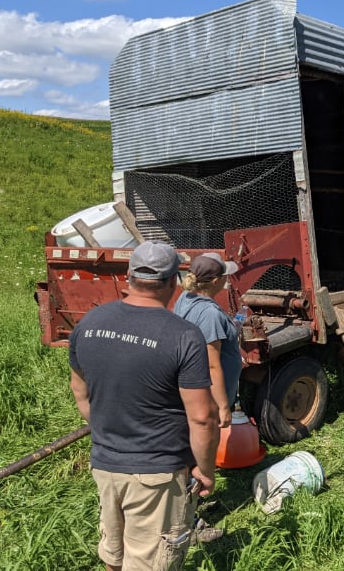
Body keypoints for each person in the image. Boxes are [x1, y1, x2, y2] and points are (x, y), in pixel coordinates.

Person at [69, 241, 219, 571]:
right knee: (151, 561)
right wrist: (205, 471)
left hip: (105, 464)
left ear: (128, 276)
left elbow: (80, 392)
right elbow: (203, 417)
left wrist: (111, 435)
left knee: (115, 553)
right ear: (172, 282)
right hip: (157, 472)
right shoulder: (183, 336)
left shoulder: (89, 323)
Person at [173, 252, 242, 429]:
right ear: (215, 281)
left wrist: (230, 327)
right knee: (205, 438)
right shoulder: (210, 314)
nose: (226, 278)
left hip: (191, 389)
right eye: (224, 275)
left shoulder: (186, 297)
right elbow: (212, 366)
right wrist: (223, 406)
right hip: (208, 398)